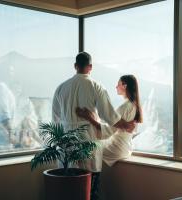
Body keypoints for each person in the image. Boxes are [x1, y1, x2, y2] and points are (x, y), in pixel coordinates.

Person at [52, 52, 135, 200]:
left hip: (67, 147)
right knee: (89, 192)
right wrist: (126, 125)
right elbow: (110, 117)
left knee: (67, 193)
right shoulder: (96, 86)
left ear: (75, 66)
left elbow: (55, 121)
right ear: (90, 67)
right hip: (88, 144)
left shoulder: (60, 88)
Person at [76, 75, 143, 166]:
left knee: (87, 149)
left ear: (124, 86)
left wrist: (89, 118)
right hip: (126, 147)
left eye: (118, 84)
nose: (116, 87)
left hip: (116, 148)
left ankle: (88, 177)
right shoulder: (134, 105)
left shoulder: (124, 107)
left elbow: (108, 131)